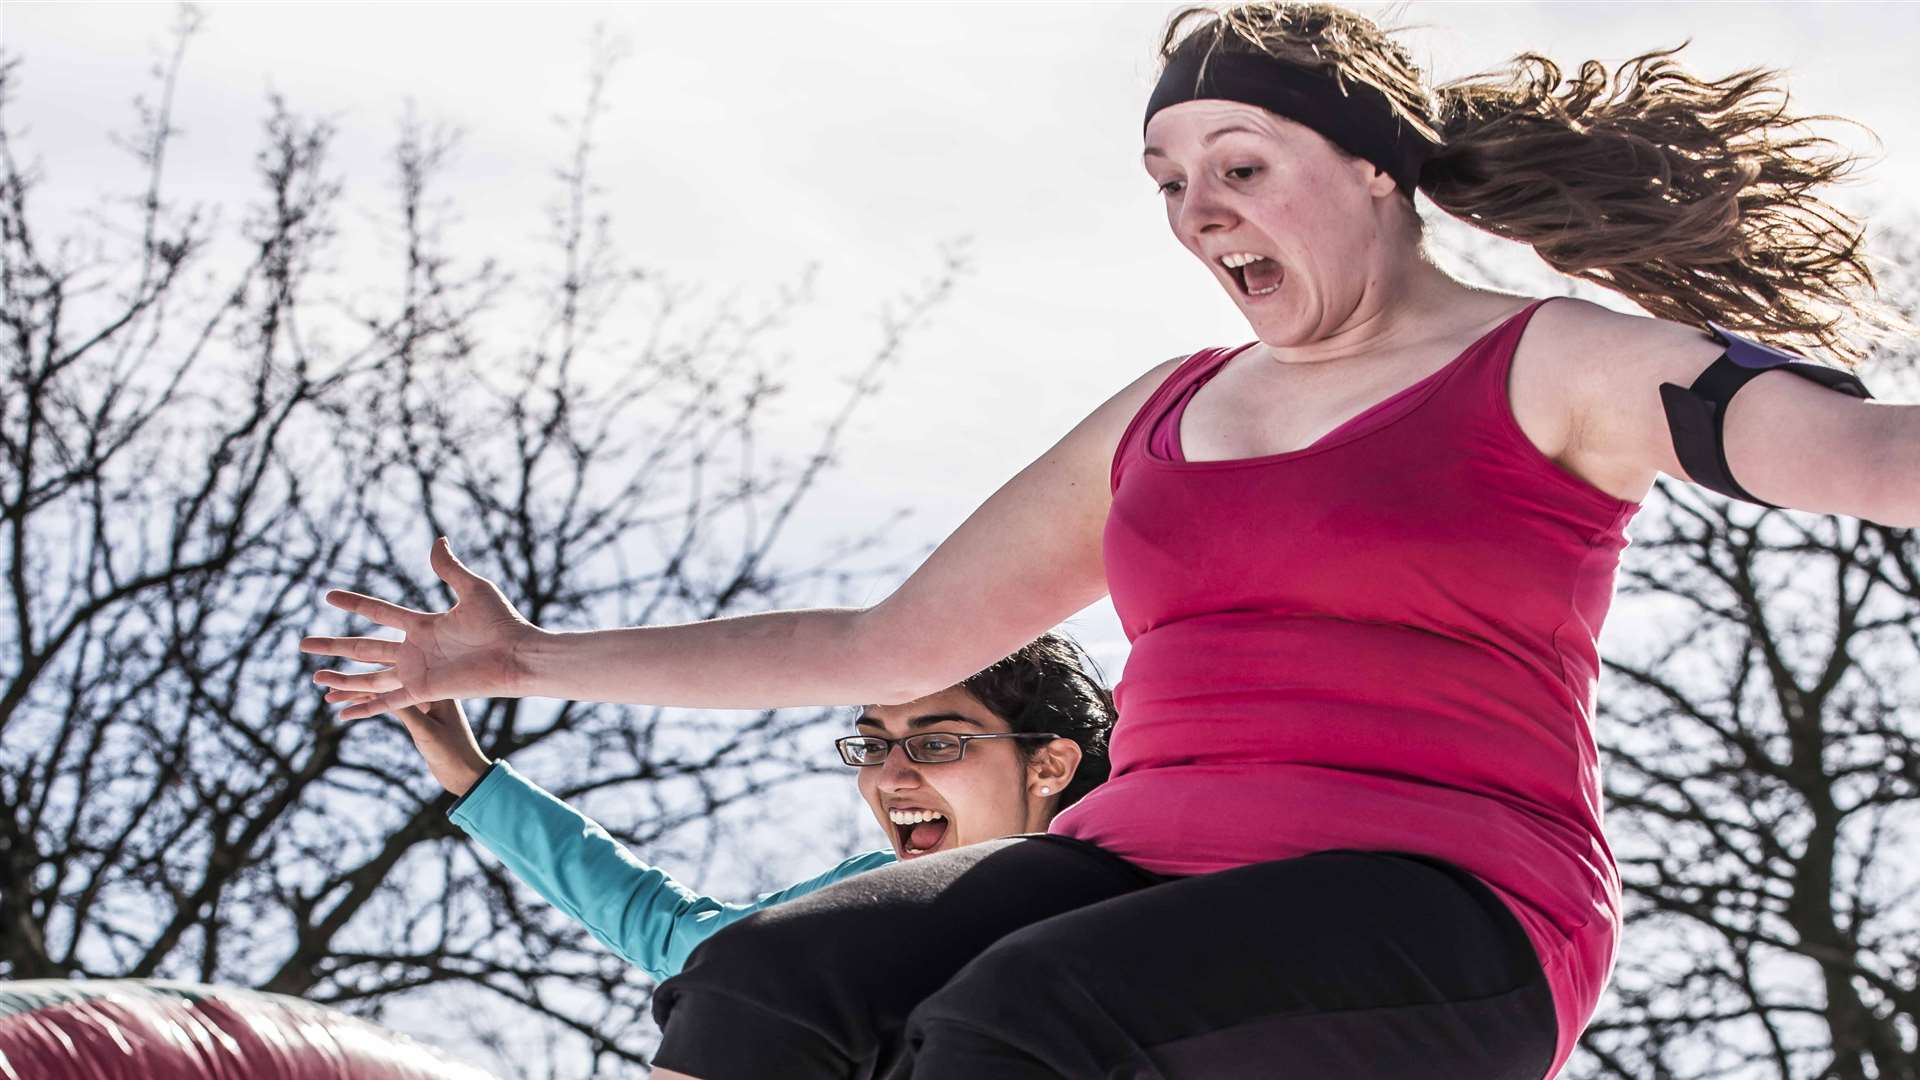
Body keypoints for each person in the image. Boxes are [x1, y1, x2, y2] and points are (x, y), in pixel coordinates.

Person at [302, 3, 1911, 1077]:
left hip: (1447, 906)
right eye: (1166, 179)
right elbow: (887, 645)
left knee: (1024, 1020)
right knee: (759, 981)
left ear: (1373, 171)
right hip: (1128, 875)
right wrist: (526, 659)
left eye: (1239, 168)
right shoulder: (1168, 412)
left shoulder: (1552, 360)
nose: (1198, 212)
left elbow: (1865, 456)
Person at [323, 632, 1113, 981]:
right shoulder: (864, 904)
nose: (891, 776)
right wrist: (473, 777)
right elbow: (679, 935)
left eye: (936, 744)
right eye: (874, 745)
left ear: (1048, 763)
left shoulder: (1132, 896)